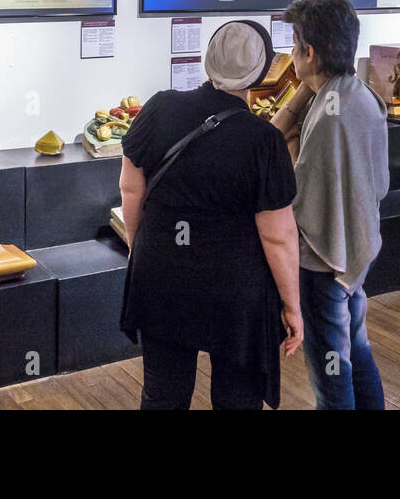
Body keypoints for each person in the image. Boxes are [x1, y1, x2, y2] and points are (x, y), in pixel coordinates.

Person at [118, 20, 303, 410]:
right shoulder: (264, 140)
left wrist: (140, 248)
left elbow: (130, 188)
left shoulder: (159, 107)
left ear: (208, 63)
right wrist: (292, 305)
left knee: (162, 395)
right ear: (261, 70)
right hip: (235, 291)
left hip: (161, 274)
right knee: (237, 399)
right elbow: (278, 235)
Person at [271, 0, 389, 410]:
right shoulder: (358, 94)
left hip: (322, 261)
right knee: (357, 352)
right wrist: (307, 84)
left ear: (310, 51)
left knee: (331, 373)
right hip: (356, 250)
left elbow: (297, 194)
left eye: (295, 44)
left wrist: (288, 145)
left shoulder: (327, 117)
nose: (289, 53)